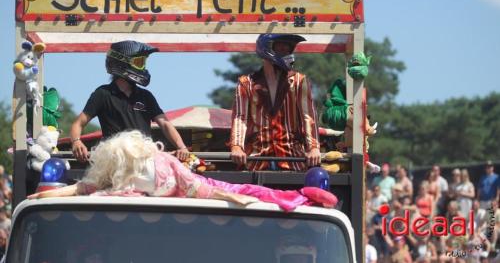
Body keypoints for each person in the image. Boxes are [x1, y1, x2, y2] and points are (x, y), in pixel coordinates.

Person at [29, 131, 337, 212]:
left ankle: (304, 196)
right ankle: (301, 196)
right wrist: (44, 196)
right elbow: (83, 188)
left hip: (200, 184)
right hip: (197, 188)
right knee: (253, 194)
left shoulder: (162, 165)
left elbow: (195, 187)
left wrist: (225, 195)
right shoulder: (119, 183)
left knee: (255, 193)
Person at [70, 40, 189, 163]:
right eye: (139, 63)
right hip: (114, 161)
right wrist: (76, 141)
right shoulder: (103, 93)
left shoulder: (146, 96)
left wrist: (182, 147)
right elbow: (77, 124)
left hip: (143, 161)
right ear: (122, 63)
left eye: (143, 63)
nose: (143, 68)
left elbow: (165, 124)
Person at [230, 34, 321, 171]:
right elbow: (240, 117)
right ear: (267, 49)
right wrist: (236, 146)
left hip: (292, 158)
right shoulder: (246, 83)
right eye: (281, 47)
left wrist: (313, 147)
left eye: (288, 48)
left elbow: (308, 117)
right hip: (257, 158)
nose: (286, 51)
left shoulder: (299, 81)